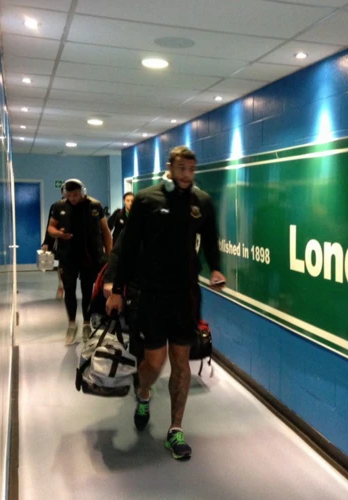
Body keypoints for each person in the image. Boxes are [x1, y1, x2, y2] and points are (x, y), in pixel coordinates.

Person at [106, 145, 225, 461]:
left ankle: (175, 430)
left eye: (191, 169)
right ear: (170, 168)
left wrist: (215, 268)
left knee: (181, 362)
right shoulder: (147, 199)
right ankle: (143, 392)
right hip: (152, 295)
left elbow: (211, 240)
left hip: (185, 296)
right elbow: (129, 247)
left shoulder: (202, 202)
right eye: (181, 168)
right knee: (154, 364)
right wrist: (117, 289)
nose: (186, 175)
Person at [47, 179, 112, 345]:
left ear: (83, 191)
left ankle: (86, 324)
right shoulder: (58, 207)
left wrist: (110, 256)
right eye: (69, 195)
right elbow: (51, 228)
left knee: (86, 290)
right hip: (68, 257)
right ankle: (71, 325)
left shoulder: (94, 206)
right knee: (69, 290)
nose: (73, 198)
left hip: (89, 257)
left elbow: (105, 232)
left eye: (75, 195)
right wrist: (59, 234)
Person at [41, 201, 63, 300]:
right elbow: (50, 226)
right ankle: (61, 284)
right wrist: (46, 242)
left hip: (80, 242)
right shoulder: (56, 206)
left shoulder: (87, 206)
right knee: (62, 263)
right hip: (62, 239)